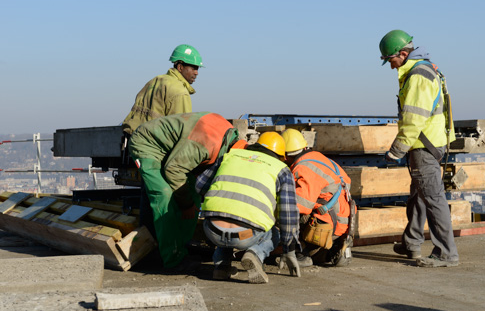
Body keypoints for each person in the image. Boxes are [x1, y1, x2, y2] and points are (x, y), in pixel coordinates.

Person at [379, 29, 459, 267]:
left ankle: (446, 253)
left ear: (403, 53)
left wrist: (396, 150)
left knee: (433, 198)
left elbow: (414, 120)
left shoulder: (418, 76)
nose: (392, 66)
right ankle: (411, 242)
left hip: (424, 145)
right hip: (429, 143)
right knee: (419, 196)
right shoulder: (425, 70)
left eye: (391, 60)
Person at [128, 112, 239, 269]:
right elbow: (173, 170)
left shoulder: (228, 135)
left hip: (174, 151)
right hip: (147, 145)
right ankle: (173, 259)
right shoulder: (204, 145)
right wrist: (186, 205)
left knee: (193, 193)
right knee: (164, 195)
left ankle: (180, 247)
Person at [196, 132, 301, 283]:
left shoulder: (230, 156)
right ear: (281, 156)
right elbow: (288, 214)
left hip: (212, 230)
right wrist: (289, 250)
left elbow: (199, 186)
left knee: (227, 215)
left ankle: (221, 267)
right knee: (274, 234)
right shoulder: (282, 170)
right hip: (245, 235)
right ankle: (255, 254)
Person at [281, 128, 356, 267]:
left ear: (285, 156)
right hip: (343, 223)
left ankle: (301, 254)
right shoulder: (318, 158)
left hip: (329, 224)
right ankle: (332, 248)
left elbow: (301, 206)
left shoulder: (303, 168)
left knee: (285, 211)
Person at [122, 44, 203, 135]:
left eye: (197, 69)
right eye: (193, 68)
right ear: (180, 67)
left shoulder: (154, 81)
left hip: (133, 139)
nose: (196, 73)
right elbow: (182, 131)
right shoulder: (180, 92)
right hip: (153, 144)